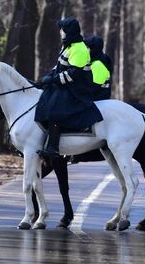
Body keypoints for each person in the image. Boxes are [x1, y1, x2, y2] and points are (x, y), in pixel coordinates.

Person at [34, 18, 103, 160]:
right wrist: (45, 79)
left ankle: (53, 147)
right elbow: (59, 67)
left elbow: (73, 74)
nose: (60, 32)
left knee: (54, 108)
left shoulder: (79, 49)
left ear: (68, 31)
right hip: (68, 85)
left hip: (78, 89)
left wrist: (52, 80)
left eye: (62, 29)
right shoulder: (69, 46)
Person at [84, 35, 113, 101]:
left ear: (93, 49)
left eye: (87, 48)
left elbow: (92, 88)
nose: (85, 50)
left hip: (97, 100)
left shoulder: (99, 65)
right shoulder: (92, 62)